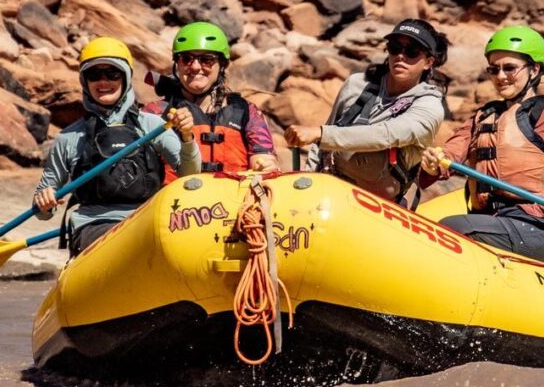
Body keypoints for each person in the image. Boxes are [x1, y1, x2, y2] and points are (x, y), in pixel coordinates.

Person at [417, 25, 544, 265]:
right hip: (495, 221)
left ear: (534, 69)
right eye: (493, 69)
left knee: (452, 227)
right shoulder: (483, 116)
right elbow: (450, 154)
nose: (500, 76)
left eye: (509, 68)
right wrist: (434, 165)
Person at [33, 38, 199, 255]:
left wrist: (187, 138)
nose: (103, 82)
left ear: (126, 77)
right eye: (94, 74)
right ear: (85, 81)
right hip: (92, 227)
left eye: (113, 73)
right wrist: (44, 202)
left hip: (145, 220)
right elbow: (41, 212)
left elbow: (191, 173)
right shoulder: (68, 137)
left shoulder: (152, 125)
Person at [284, 18, 448, 203]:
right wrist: (307, 177)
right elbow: (323, 141)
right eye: (395, 48)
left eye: (411, 52)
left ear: (428, 62)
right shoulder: (357, 84)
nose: (401, 56)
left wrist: (321, 134)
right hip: (328, 186)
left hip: (374, 205)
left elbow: (386, 135)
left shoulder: (430, 107)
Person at [143, 21, 279, 178]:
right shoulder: (155, 113)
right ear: (177, 64)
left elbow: (263, 160)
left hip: (233, 192)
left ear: (222, 65)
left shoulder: (247, 113)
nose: (195, 67)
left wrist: (266, 165)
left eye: (206, 60)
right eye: (186, 59)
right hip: (176, 193)